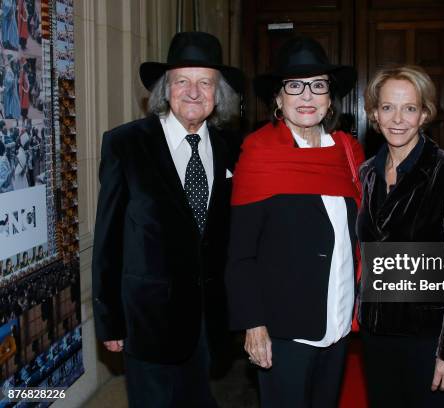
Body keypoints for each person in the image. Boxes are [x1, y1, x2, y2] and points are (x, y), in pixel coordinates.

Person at [92, 31, 243, 407]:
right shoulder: (125, 144)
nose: (193, 92)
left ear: (218, 93)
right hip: (147, 322)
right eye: (182, 81)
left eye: (204, 82)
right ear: (165, 89)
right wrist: (110, 321)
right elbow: (108, 239)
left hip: (209, 323)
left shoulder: (232, 149)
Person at [226, 36, 364, 408]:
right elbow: (240, 255)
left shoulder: (348, 154)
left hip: (338, 322)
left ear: (330, 97)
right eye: (295, 86)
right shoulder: (259, 156)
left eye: (318, 85)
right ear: (278, 98)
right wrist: (253, 326)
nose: (307, 96)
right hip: (283, 331)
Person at [357, 65, 444, 407]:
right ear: (373, 113)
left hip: (429, 338)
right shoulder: (365, 173)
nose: (397, 118)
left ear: (424, 113)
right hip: (376, 335)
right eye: (387, 107)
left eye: (409, 108)